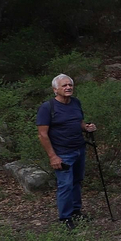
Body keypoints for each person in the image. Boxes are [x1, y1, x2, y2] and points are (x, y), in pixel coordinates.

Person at [36, 74, 98, 229]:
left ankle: (76, 211)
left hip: (79, 148)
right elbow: (42, 134)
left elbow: (79, 122)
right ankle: (65, 218)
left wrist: (87, 128)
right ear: (55, 89)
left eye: (70, 85)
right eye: (64, 85)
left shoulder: (76, 103)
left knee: (77, 181)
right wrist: (53, 156)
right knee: (65, 185)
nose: (68, 87)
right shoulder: (47, 107)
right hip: (62, 153)